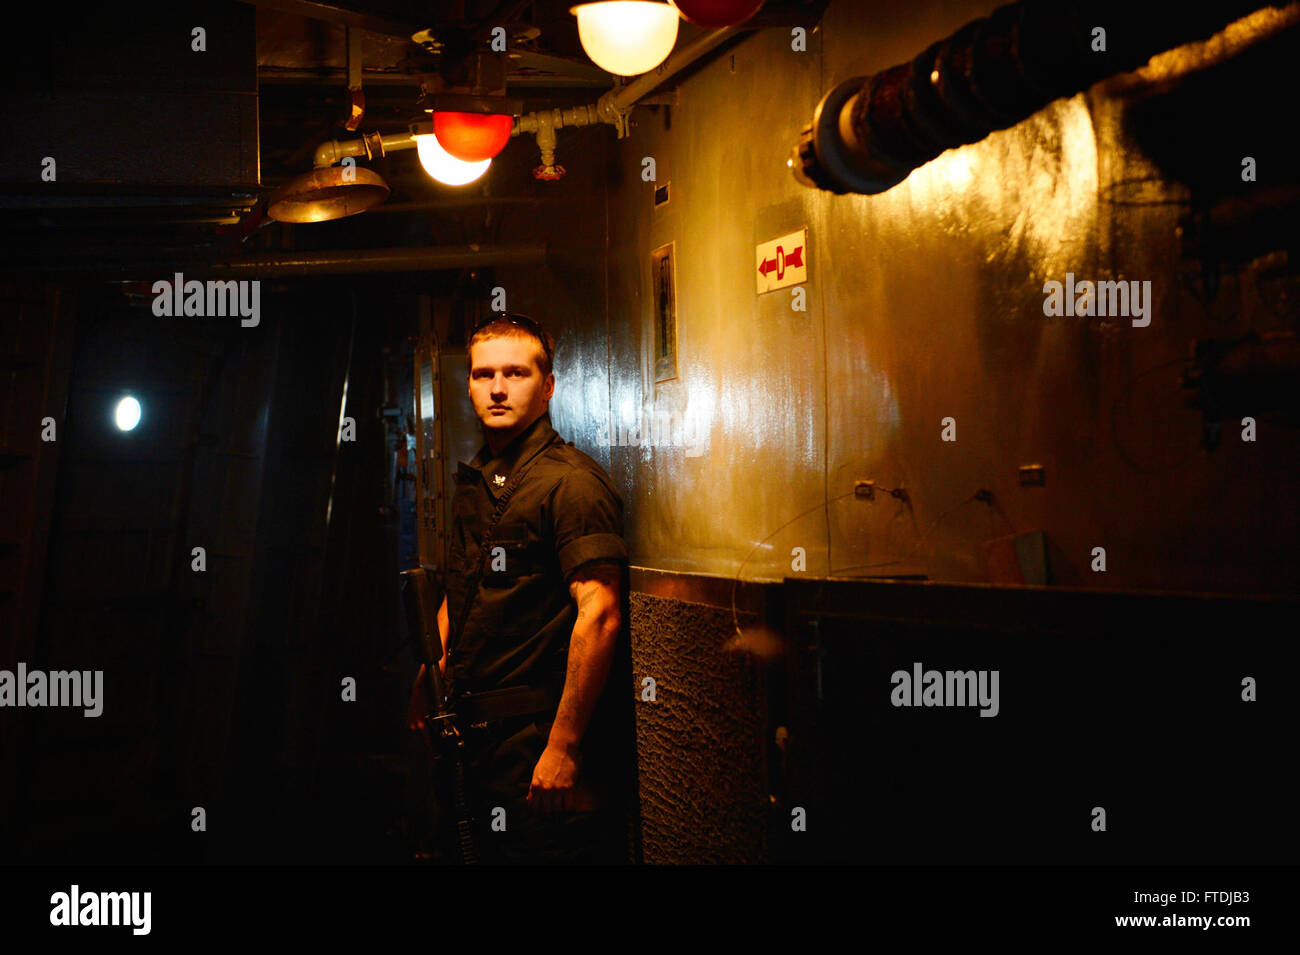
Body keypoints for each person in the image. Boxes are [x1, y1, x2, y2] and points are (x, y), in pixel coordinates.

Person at [408, 312, 635, 864]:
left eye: (516, 373)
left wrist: (563, 746)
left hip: (534, 739)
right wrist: (430, 668)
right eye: (484, 375)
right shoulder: (483, 477)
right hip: (476, 738)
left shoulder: (572, 483)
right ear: (468, 385)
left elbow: (600, 613)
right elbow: (465, 588)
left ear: (548, 387)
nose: (499, 388)